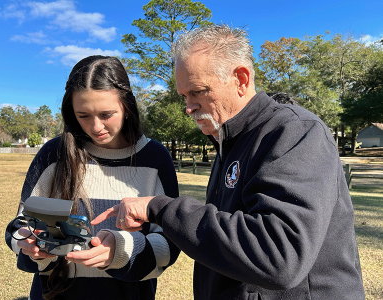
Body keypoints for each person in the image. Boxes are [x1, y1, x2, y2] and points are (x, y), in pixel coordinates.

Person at [93, 25, 365, 299]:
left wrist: (159, 208)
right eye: (184, 96)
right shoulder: (229, 141)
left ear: (241, 80)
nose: (188, 107)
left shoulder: (294, 131)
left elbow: (279, 258)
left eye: (198, 91)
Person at [5, 55, 180, 300]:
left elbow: (170, 246)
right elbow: (20, 225)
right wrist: (29, 243)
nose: (96, 127)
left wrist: (119, 252)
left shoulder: (155, 158)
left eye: (106, 114)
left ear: (127, 107)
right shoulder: (53, 154)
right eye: (83, 115)